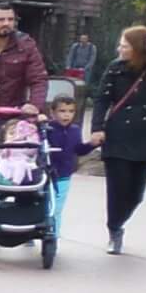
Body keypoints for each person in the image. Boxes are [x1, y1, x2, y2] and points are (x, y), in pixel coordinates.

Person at [92, 25, 146, 253]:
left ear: (139, 48)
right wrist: (97, 128)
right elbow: (101, 99)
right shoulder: (115, 68)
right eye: (120, 45)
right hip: (118, 134)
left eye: (125, 46)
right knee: (117, 189)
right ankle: (114, 229)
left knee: (136, 194)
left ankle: (119, 221)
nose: (120, 49)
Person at [42, 93, 85, 238]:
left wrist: (92, 144)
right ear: (52, 112)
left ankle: (53, 235)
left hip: (64, 175)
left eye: (71, 111)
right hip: (45, 174)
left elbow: (79, 150)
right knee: (41, 205)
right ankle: (33, 232)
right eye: (62, 111)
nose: (67, 115)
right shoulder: (46, 129)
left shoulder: (75, 130)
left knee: (57, 207)